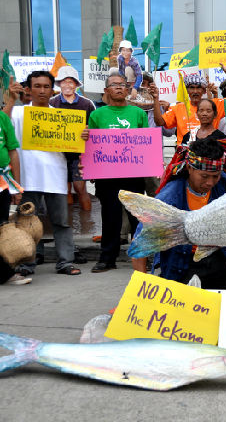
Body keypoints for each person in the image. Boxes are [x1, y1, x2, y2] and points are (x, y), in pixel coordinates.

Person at [131, 139, 226, 289]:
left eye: (215, 176)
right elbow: (140, 242)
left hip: (215, 256)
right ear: (190, 168)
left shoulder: (225, 183)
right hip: (180, 262)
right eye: (204, 176)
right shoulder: (169, 197)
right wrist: (143, 286)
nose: (210, 182)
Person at [5, 71, 81, 276]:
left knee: (62, 222)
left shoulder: (62, 117)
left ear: (52, 90)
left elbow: (75, 147)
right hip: (27, 178)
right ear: (28, 89)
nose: (42, 90)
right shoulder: (19, 113)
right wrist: (10, 100)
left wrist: (82, 136)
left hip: (55, 176)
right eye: (37, 86)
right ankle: (27, 264)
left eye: (46, 86)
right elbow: (3, 124)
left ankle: (65, 262)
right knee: (27, 222)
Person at [84, 73, 148, 273]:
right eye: (114, 85)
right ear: (106, 91)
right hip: (107, 176)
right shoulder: (97, 115)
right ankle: (107, 258)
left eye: (123, 84)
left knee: (137, 217)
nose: (119, 87)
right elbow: (90, 146)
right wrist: (85, 138)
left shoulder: (139, 114)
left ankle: (143, 256)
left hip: (134, 174)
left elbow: (146, 144)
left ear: (128, 89)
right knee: (110, 217)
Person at [151, 67, 226, 145]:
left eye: (198, 88)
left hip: (209, 153)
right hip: (185, 155)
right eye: (192, 88)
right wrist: (155, 99)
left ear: (204, 91)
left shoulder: (215, 104)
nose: (195, 91)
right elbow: (160, 122)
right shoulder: (177, 108)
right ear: (187, 90)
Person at [49, 65, 95, 212]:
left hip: (80, 154)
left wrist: (88, 131)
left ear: (76, 84)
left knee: (80, 187)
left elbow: (94, 128)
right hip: (58, 154)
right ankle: (69, 222)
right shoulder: (52, 104)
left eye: (71, 82)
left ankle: (87, 222)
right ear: (59, 84)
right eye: (64, 81)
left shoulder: (86, 104)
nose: (67, 85)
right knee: (65, 188)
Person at [0, 85, 28, 285]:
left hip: (2, 182)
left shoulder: (2, 119)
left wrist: (16, 186)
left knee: (1, 228)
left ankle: (5, 273)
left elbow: (12, 152)